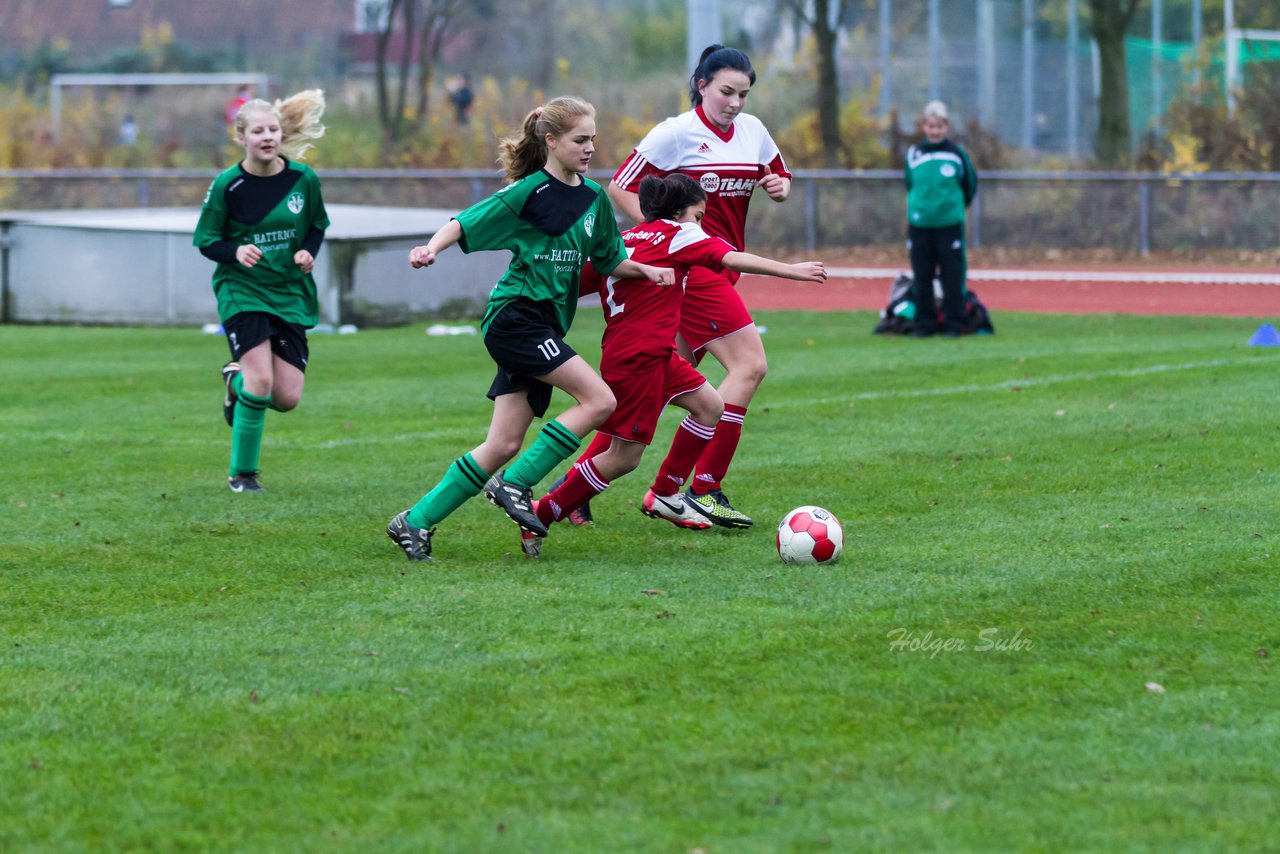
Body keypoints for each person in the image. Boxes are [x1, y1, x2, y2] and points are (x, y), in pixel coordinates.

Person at [386, 96, 676, 562]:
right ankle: (516, 484)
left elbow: (609, 260)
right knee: (600, 400)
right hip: (515, 317)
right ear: (551, 141)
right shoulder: (529, 192)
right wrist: (430, 248)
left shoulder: (594, 199)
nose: (590, 148)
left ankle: (414, 521)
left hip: (543, 326)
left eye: (593, 139)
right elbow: (465, 222)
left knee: (502, 442)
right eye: (581, 140)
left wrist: (646, 271)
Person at [520, 174, 827, 558]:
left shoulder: (623, 240)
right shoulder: (678, 234)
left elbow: (570, 283)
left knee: (710, 405)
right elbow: (729, 257)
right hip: (639, 360)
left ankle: (666, 491)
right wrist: (791, 270)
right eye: (698, 216)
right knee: (623, 457)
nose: (699, 226)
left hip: (649, 352)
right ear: (681, 212)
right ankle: (542, 512)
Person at [605, 44, 792, 530]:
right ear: (702, 85)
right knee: (749, 366)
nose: (734, 102)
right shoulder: (674, 134)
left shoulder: (752, 131)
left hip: (721, 269)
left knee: (660, 380)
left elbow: (779, 173)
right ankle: (698, 487)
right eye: (726, 91)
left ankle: (576, 489)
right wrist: (663, 235)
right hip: (696, 271)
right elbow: (619, 187)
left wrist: (779, 187)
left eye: (744, 94)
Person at [193, 90, 329, 493]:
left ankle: (234, 382)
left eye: (272, 129)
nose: (267, 136)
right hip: (242, 290)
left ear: (280, 133)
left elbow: (317, 224)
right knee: (261, 382)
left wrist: (307, 251)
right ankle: (243, 476)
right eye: (257, 131)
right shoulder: (227, 186)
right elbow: (206, 241)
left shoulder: (303, 179)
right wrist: (235, 250)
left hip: (288, 291)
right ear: (242, 138)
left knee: (287, 397)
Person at [904, 100, 978, 337]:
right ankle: (925, 324)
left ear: (946, 127)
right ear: (924, 126)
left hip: (949, 226)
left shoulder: (957, 154)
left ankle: (955, 323)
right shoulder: (914, 154)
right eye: (931, 126)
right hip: (920, 225)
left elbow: (970, 185)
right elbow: (910, 184)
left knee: (953, 277)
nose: (935, 130)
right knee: (922, 276)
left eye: (940, 126)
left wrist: (953, 208)